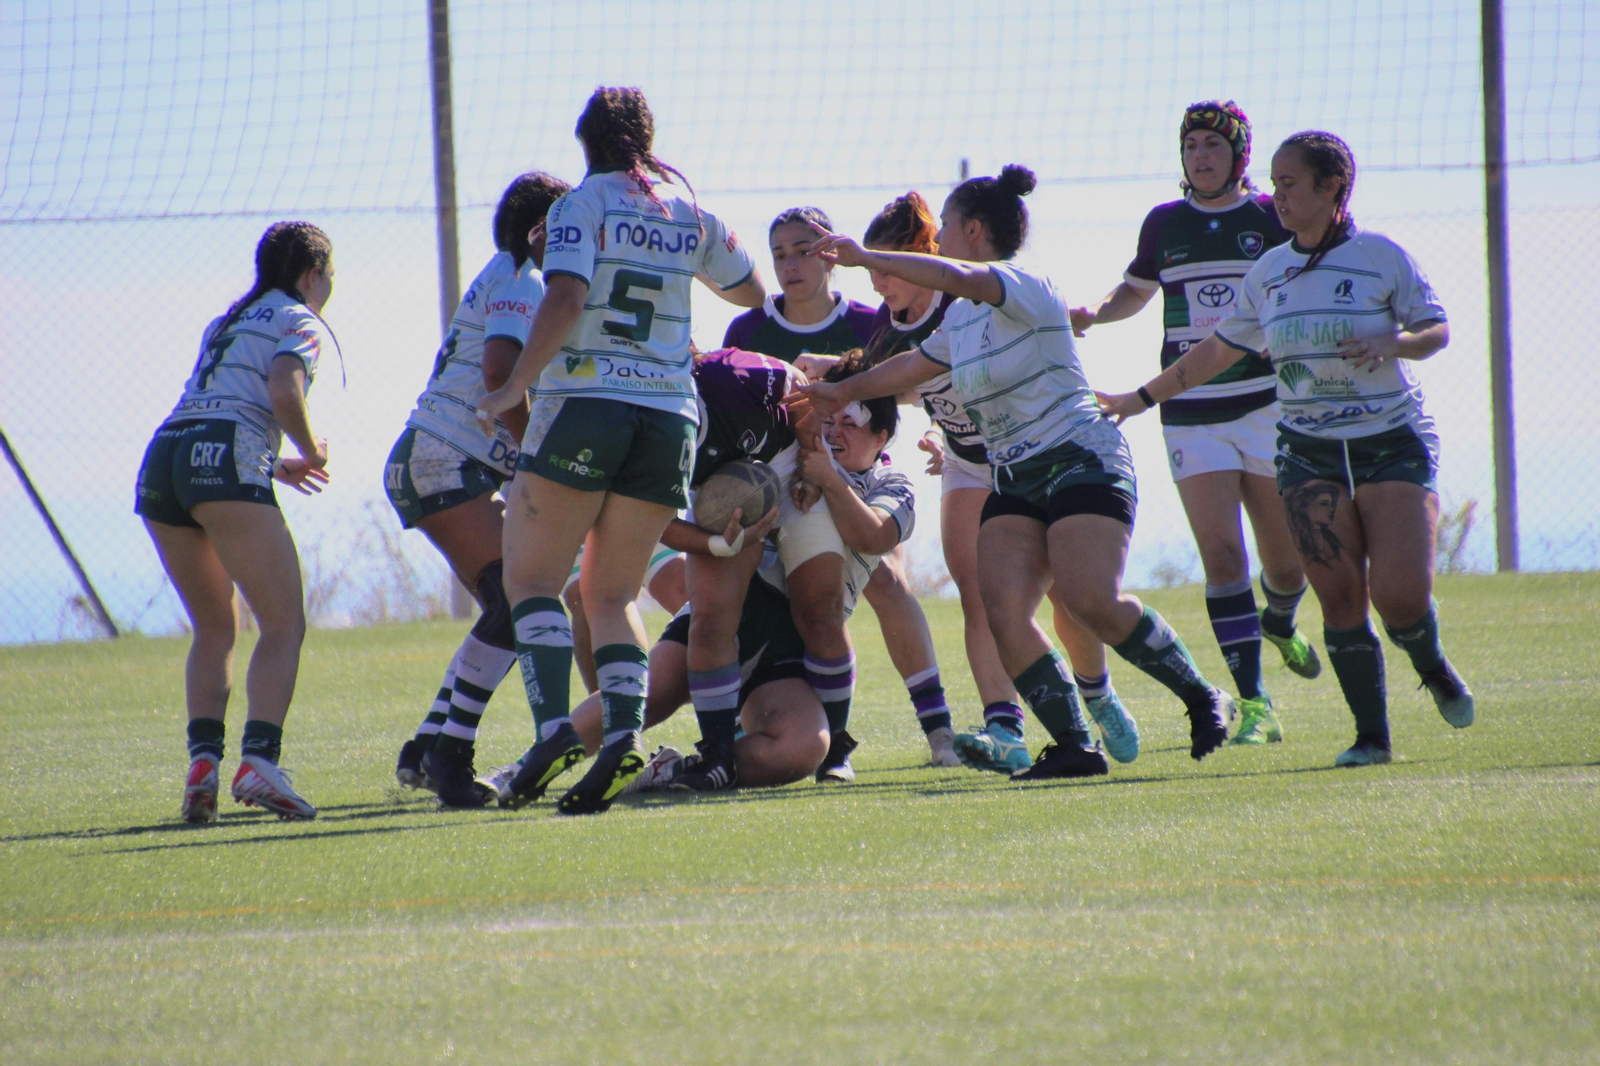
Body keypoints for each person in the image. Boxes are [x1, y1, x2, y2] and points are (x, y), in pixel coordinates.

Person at [792, 165, 1236, 781]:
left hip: (1080, 456)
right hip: (1013, 476)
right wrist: (841, 393)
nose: (937, 238)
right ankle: (1074, 746)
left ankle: (1200, 696)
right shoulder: (961, 320)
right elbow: (909, 369)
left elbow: (951, 275)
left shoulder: (1021, 285)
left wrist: (865, 253)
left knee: (1088, 599)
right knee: (999, 608)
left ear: (974, 230)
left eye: (944, 227)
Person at [1098, 131, 1475, 767]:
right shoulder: (1269, 272)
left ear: (1334, 188)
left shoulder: (1381, 256)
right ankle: (1371, 738)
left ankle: (1429, 659)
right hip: (1308, 451)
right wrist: (1141, 398)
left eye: (1290, 184)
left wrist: (1397, 343)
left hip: (1389, 442)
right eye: (1273, 184)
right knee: (1339, 598)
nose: (1277, 197)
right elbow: (1218, 351)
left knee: (1402, 596)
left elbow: (1435, 328)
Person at [473, 86, 764, 815]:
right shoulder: (687, 210)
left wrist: (515, 388)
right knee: (611, 594)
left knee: (534, 581)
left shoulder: (578, 205)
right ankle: (620, 735)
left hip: (586, 408)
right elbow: (752, 291)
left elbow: (567, 298)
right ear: (649, 137)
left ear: (586, 142)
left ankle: (550, 738)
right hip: (668, 420)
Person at [1070, 100, 1319, 747]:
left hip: (1267, 406)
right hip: (1190, 416)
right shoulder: (1165, 224)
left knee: (1286, 564)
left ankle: (1284, 620)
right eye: (1191, 146)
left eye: (1213, 144)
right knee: (1223, 556)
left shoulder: (1270, 217)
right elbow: (1134, 289)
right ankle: (1255, 702)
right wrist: (1095, 310)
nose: (1201, 156)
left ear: (1239, 154)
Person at [862, 191, 1137, 772]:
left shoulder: (970, 293)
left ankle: (1096, 695)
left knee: (1070, 597)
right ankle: (1003, 727)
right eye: (874, 270)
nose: (879, 282)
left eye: (888, 266)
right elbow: (903, 385)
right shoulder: (885, 328)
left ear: (924, 257)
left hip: (1036, 454)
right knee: (984, 596)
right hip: (969, 464)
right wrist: (935, 429)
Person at [726, 205, 958, 773]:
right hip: (779, 484)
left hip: (853, 478)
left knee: (886, 581)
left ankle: (938, 734)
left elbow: (918, 384)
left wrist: (930, 432)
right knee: (741, 595)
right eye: (778, 253)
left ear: (830, 255)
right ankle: (746, 729)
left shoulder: (869, 320)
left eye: (803, 249)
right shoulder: (750, 328)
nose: (790, 263)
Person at [135, 221, 338, 822]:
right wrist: (312, 449)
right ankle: (260, 762)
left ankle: (203, 763)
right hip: (224, 457)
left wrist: (272, 463)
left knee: (214, 628)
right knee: (283, 625)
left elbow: (214, 404)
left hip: (163, 457)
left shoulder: (223, 322)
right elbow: (282, 389)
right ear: (311, 275)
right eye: (329, 275)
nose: (330, 287)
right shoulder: (302, 320)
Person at [386, 172, 569, 809]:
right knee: (522, 603)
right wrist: (535, 456)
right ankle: (450, 754)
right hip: (446, 457)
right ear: (541, 228)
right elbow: (498, 372)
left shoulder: (509, 274)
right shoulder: (522, 275)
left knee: (504, 608)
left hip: (435, 457)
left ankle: (429, 742)